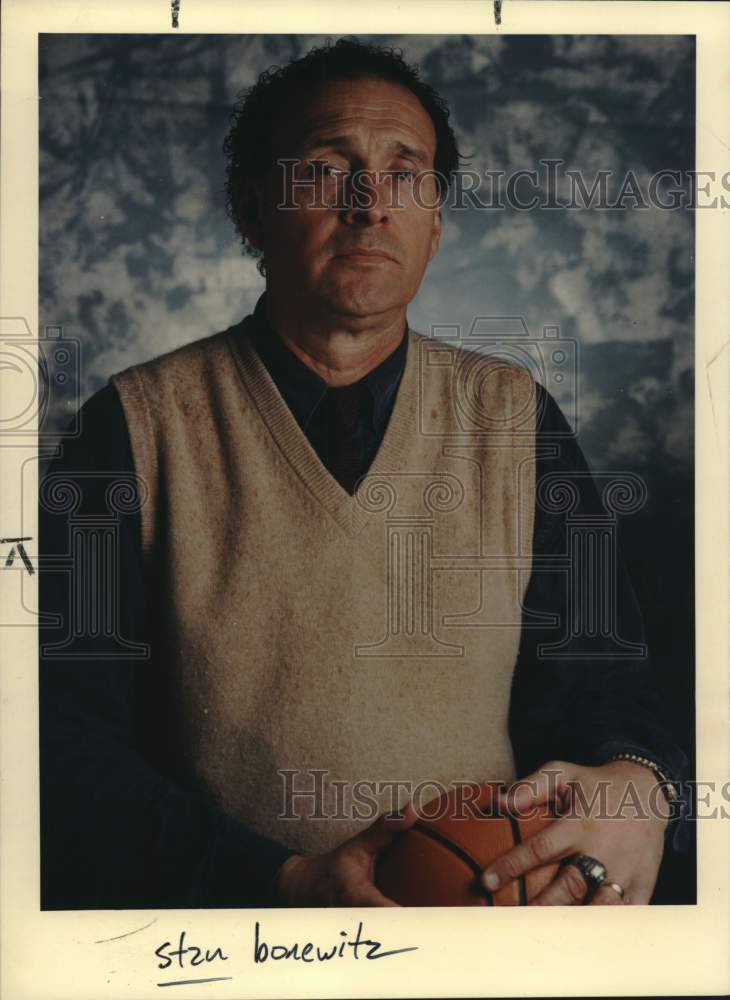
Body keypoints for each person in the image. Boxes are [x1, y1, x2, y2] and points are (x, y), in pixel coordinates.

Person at [39, 38, 688, 910]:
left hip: (480, 932)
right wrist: (278, 880)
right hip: (228, 941)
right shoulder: (130, 427)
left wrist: (637, 780)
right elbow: (58, 740)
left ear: (435, 220)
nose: (369, 203)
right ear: (252, 209)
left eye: (405, 171)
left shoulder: (516, 416)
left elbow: (606, 677)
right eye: (325, 168)